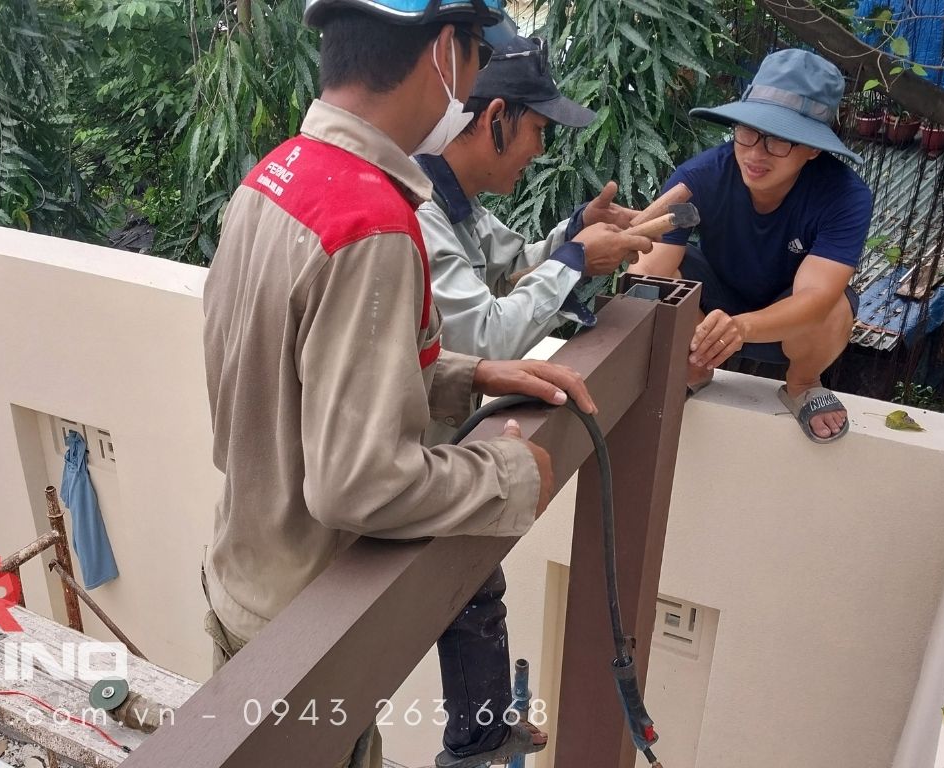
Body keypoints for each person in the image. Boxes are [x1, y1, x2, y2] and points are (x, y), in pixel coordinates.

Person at [201, 2, 591, 766]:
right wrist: (510, 475)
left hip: (242, 579)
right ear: (446, 52)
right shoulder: (370, 221)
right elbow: (359, 485)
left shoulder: (275, 175)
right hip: (306, 636)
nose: (474, 88)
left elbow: (300, 367)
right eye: (477, 57)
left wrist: (467, 374)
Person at [629, 48, 873, 443]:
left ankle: (803, 383)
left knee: (835, 306)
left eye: (779, 141)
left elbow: (816, 297)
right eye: (748, 132)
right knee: (657, 278)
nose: (756, 153)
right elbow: (646, 270)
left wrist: (741, 328)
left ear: (813, 148)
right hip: (709, 316)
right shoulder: (702, 175)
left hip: (789, 326)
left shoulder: (845, 196)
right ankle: (692, 368)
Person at [415, 35, 651, 371]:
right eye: (538, 128)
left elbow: (510, 272)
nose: (540, 149)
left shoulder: (456, 201)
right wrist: (576, 260)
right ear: (496, 117)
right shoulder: (420, 212)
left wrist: (576, 233)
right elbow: (483, 340)